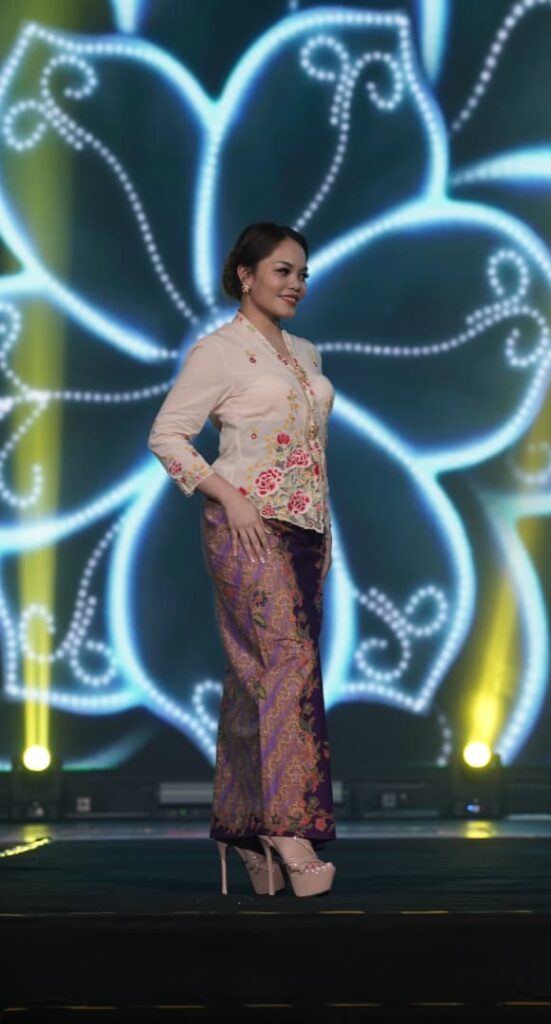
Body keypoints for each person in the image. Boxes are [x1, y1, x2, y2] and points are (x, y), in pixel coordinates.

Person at [147, 222, 336, 897]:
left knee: (256, 677)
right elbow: (167, 435)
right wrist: (231, 499)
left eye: (302, 273)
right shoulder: (218, 352)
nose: (296, 283)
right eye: (282, 270)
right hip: (247, 530)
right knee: (288, 669)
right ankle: (287, 830)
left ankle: (241, 827)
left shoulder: (305, 352)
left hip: (306, 532)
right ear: (245, 275)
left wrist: (325, 531)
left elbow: (311, 452)